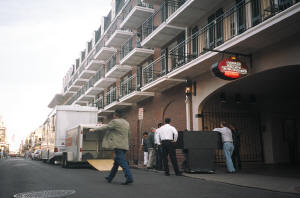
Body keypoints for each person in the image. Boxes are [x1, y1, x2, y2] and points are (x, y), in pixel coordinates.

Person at [91, 109, 133, 185]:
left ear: (115, 115)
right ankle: (110, 177)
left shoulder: (115, 121)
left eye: (114, 115)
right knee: (116, 163)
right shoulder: (126, 123)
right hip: (124, 145)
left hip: (118, 145)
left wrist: (94, 129)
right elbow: (129, 134)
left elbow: (106, 127)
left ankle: (129, 177)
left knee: (122, 162)